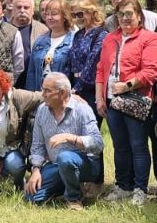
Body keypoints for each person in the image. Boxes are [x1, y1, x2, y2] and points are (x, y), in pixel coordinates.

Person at [95, 0, 157, 207]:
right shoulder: (109, 39)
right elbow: (101, 69)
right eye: (120, 14)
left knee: (139, 146)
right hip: (111, 101)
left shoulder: (149, 38)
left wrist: (127, 85)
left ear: (139, 16)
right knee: (120, 146)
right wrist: (99, 97)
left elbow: (152, 71)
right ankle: (123, 186)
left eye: (129, 14)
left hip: (135, 100)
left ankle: (140, 189)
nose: (125, 18)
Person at [23, 73, 104, 209]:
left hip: (86, 164)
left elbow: (98, 143)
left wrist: (70, 137)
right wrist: (36, 170)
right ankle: (69, 184)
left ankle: (74, 198)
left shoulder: (82, 109)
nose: (43, 94)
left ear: (63, 92)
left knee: (65, 157)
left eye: (47, 91)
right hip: (56, 165)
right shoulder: (42, 111)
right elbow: (37, 145)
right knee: (31, 198)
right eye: (43, 89)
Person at [23, 0, 75, 93]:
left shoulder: (74, 40)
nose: (49, 17)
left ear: (64, 16)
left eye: (54, 14)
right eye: (47, 14)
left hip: (63, 97)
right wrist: (30, 96)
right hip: (40, 96)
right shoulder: (40, 41)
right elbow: (31, 73)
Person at [64, 0, 106, 106]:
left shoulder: (101, 34)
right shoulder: (79, 34)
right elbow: (69, 61)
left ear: (92, 12)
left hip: (89, 89)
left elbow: (91, 63)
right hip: (74, 84)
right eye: (74, 15)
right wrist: (66, 85)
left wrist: (77, 88)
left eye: (80, 14)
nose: (77, 18)